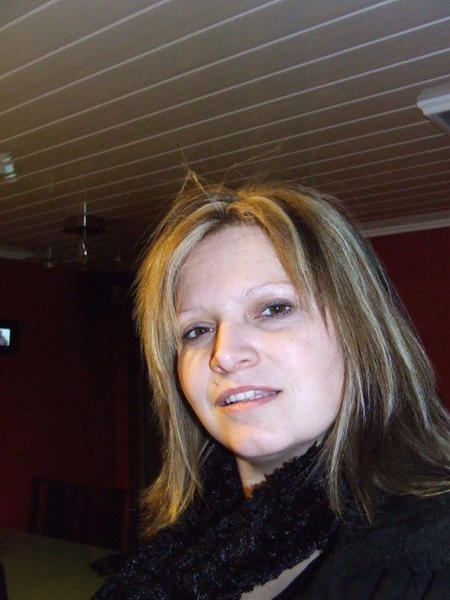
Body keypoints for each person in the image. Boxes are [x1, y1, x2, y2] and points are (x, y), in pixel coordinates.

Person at [94, 176, 450, 599]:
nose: (225, 354)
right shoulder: (181, 553)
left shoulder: (430, 557)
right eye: (197, 330)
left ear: (361, 330)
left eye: (274, 308)